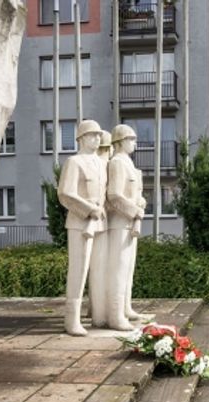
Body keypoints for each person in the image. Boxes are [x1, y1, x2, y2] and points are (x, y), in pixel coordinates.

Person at [57, 120, 108, 336]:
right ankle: (72, 320)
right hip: (80, 222)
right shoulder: (74, 162)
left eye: (98, 135)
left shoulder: (101, 163)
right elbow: (65, 193)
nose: (97, 138)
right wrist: (88, 209)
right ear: (81, 138)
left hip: (100, 222)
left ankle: (98, 314)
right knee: (78, 270)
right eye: (92, 135)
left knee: (98, 270)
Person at [103, 124, 147, 331]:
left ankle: (125, 307)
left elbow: (132, 192)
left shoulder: (128, 163)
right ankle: (115, 315)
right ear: (120, 142)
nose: (135, 144)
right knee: (118, 269)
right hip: (120, 222)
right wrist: (134, 210)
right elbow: (114, 195)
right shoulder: (117, 163)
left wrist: (141, 201)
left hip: (130, 222)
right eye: (132, 139)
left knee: (128, 268)